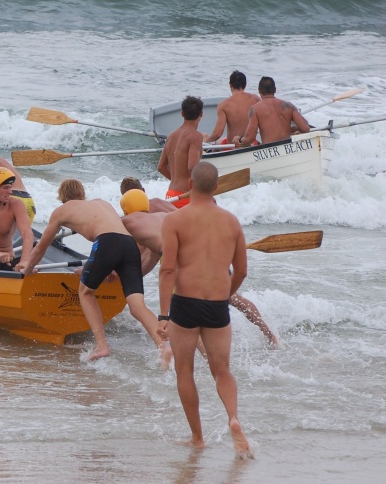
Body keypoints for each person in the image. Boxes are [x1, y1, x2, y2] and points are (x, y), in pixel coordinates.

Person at [17, 179, 171, 365]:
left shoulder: (61, 211)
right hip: (129, 244)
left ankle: (101, 345)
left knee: (85, 292)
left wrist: (28, 268)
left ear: (62, 198)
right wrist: (100, 268)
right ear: (82, 195)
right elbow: (114, 239)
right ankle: (163, 347)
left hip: (107, 242)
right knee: (137, 306)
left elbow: (42, 247)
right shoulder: (101, 203)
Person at [158, 161, 252, 458]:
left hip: (185, 303)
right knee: (222, 370)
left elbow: (167, 269)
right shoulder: (232, 222)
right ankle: (233, 418)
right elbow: (241, 271)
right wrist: (225, 295)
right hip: (217, 306)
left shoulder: (174, 220)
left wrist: (163, 315)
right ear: (216, 187)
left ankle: (198, 439)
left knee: (185, 371)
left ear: (189, 185)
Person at [119, 183, 278, 347]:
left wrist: (122, 276)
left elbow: (143, 261)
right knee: (232, 297)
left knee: (181, 313)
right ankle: (269, 335)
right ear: (143, 193)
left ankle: (203, 354)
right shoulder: (162, 206)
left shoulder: (137, 220)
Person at [234, 76, 311, 146]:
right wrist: (295, 128)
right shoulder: (289, 106)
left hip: (269, 150)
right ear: (275, 89)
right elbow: (306, 128)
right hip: (287, 148)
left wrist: (239, 139)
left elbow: (249, 139)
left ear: (259, 90)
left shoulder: (255, 109)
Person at [157, 96, 204, 208]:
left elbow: (161, 167)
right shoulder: (195, 136)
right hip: (185, 196)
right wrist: (202, 190)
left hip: (170, 195)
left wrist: (176, 181)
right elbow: (192, 167)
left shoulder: (171, 136)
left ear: (182, 113)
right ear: (201, 114)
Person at [203, 71, 261, 145]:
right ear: (245, 85)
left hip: (234, 146)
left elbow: (218, 133)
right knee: (220, 142)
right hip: (252, 144)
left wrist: (206, 140)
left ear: (230, 85)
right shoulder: (256, 99)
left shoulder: (224, 105)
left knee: (217, 143)